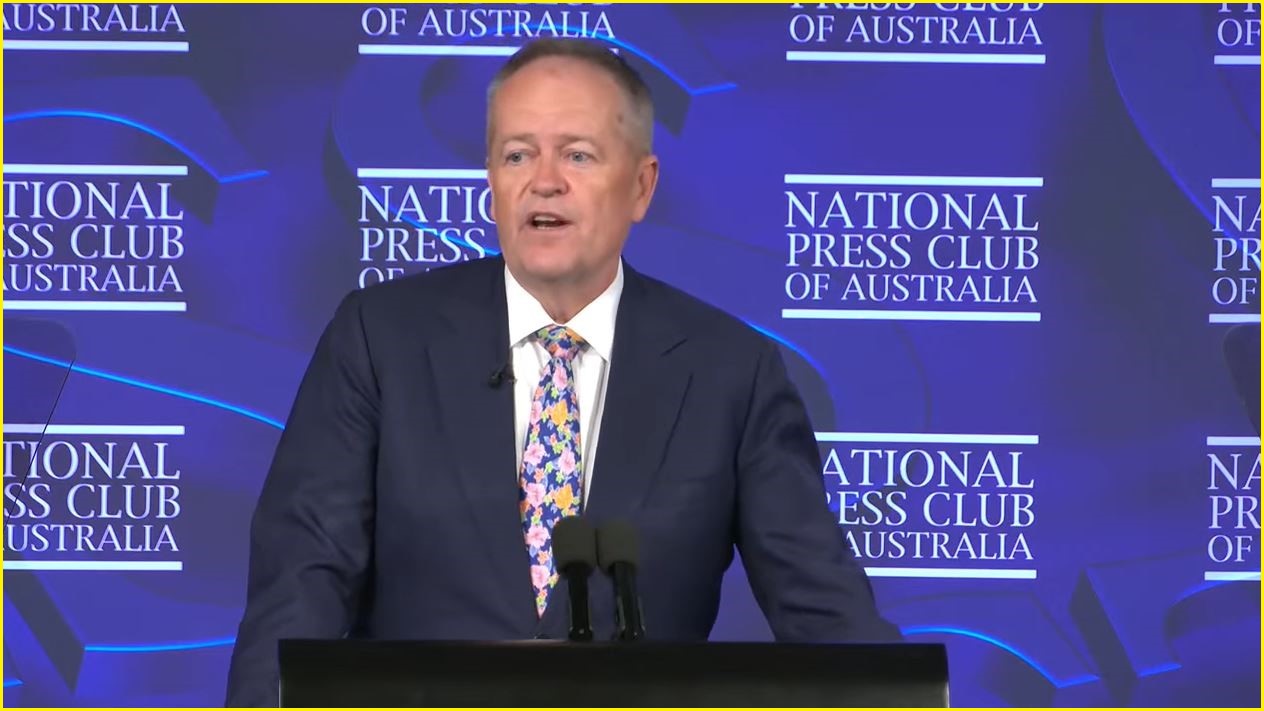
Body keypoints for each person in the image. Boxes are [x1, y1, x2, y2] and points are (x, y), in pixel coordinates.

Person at [225, 37, 901, 707]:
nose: (544, 180)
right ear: (491, 180)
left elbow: (830, 617)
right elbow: (297, 593)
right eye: (517, 154)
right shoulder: (379, 340)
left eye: (577, 154)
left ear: (640, 186)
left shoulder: (729, 370)